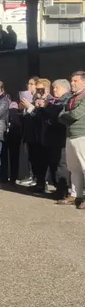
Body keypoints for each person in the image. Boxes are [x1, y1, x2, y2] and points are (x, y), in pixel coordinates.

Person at [60, 71, 85, 209]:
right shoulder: (71, 98)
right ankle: (75, 195)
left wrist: (65, 116)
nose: (72, 83)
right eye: (72, 80)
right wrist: (65, 115)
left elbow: (76, 114)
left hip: (82, 134)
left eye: (75, 81)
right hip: (70, 134)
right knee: (73, 168)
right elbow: (62, 114)